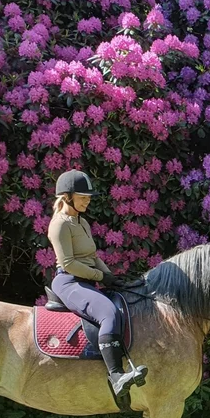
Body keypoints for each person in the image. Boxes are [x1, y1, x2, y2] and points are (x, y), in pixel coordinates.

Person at [47, 169, 147, 397]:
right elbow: (70, 263)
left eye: (88, 197)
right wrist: (101, 278)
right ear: (67, 197)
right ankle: (116, 376)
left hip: (87, 278)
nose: (87, 200)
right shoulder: (60, 225)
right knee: (108, 313)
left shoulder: (81, 222)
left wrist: (111, 276)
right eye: (83, 196)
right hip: (69, 282)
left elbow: (93, 257)